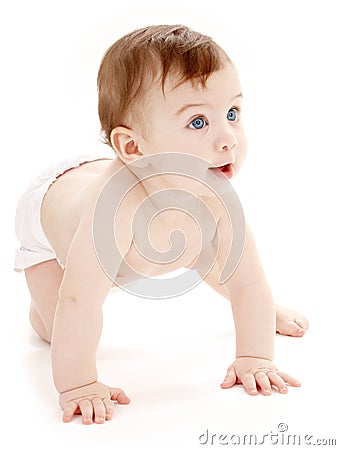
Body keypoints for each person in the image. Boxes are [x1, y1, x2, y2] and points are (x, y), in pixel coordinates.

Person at [14, 24, 309, 425]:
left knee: (209, 252)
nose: (228, 139)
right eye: (198, 123)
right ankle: (41, 301)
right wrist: (79, 385)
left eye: (232, 113)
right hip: (52, 216)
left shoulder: (216, 192)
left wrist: (254, 357)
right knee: (54, 327)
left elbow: (247, 282)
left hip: (154, 216)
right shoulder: (111, 213)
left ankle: (259, 313)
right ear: (132, 147)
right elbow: (79, 304)